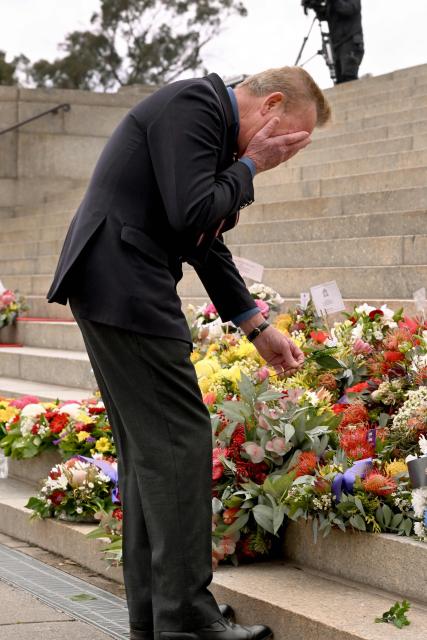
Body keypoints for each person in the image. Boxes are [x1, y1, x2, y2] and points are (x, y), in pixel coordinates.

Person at [47, 66, 331, 640]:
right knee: (177, 444)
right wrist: (251, 165)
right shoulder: (197, 105)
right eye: (286, 140)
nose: (283, 155)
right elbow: (193, 212)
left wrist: (255, 324)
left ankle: (160, 617)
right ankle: (186, 620)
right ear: (270, 106)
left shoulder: (203, 118)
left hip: (116, 281)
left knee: (154, 455)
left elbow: (203, 240)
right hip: (123, 282)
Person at [327, 0, 364, 83]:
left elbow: (348, 10)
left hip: (350, 41)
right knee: (339, 79)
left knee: (348, 75)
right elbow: (324, 16)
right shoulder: (332, 4)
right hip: (336, 45)